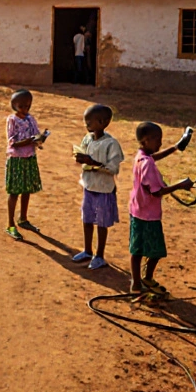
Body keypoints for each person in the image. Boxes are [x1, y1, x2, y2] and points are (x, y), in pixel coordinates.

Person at [128, 122, 193, 294]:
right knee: (154, 250)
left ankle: (138, 282)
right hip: (148, 215)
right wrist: (181, 185)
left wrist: (176, 147)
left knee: (137, 249)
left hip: (138, 211)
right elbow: (157, 192)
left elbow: (154, 158)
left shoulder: (141, 156)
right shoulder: (147, 163)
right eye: (157, 140)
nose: (160, 143)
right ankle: (144, 279)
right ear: (146, 140)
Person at [71, 104, 124, 270]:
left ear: (102, 122)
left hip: (104, 190)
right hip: (89, 187)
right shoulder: (87, 139)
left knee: (101, 223)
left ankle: (99, 255)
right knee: (87, 219)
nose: (86, 125)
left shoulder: (111, 144)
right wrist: (80, 159)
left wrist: (92, 162)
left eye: (89, 122)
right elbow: (83, 156)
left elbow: (113, 168)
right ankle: (87, 250)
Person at [4, 89, 47, 241]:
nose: (25, 109)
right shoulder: (12, 120)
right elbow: (13, 142)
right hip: (16, 159)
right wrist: (29, 140)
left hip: (29, 157)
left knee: (27, 189)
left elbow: (36, 136)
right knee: (15, 191)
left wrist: (41, 139)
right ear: (14, 105)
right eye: (21, 106)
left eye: (28, 106)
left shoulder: (30, 119)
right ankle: (10, 224)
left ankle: (23, 218)